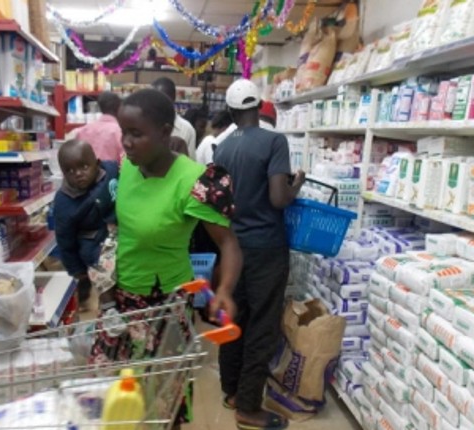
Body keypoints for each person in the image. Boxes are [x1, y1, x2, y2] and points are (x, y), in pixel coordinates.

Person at [90, 89, 242, 424]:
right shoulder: (127, 167)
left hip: (164, 306)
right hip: (119, 300)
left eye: (136, 133)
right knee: (112, 400)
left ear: (164, 132)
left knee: (161, 400)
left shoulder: (193, 181)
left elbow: (228, 243)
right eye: (124, 132)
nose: (126, 142)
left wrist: (225, 290)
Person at [214, 79, 305, 430]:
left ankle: (233, 390)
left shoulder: (221, 149)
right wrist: (298, 183)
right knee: (262, 325)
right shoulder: (273, 141)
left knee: (235, 319)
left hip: (233, 247)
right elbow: (279, 198)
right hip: (266, 246)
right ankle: (249, 407)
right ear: (259, 106)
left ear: (233, 111)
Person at [53, 140, 118, 309]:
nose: (78, 174)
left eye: (84, 167)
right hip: (94, 242)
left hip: (121, 230)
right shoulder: (63, 201)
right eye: (70, 170)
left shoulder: (110, 171)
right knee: (100, 271)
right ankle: (108, 307)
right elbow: (64, 239)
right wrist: (77, 269)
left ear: (97, 163)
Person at [66, 91, 124, 162]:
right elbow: (124, 162)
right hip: (112, 172)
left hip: (86, 171)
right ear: (119, 108)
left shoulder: (82, 130)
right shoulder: (120, 132)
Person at [152, 77, 197, 158]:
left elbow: (190, 163)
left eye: (162, 98)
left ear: (173, 97)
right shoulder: (145, 125)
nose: (157, 103)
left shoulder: (187, 129)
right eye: (153, 98)